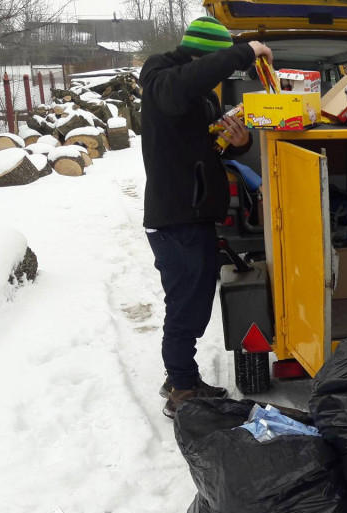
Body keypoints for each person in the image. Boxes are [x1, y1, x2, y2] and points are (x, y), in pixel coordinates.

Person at [139, 16, 273, 418]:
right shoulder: (161, 76)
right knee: (185, 306)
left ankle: (183, 378)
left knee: (195, 302)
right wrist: (246, 50)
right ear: (204, 57)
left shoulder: (202, 96)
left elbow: (207, 146)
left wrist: (238, 141)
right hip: (174, 218)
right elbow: (182, 85)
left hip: (196, 215)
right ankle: (181, 386)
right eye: (220, 63)